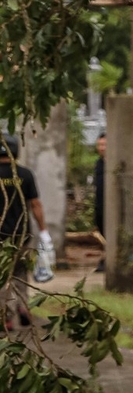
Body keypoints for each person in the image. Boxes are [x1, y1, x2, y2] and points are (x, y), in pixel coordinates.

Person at [1, 136, 52, 329]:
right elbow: (35, 204)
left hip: (0, 239)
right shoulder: (25, 174)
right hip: (22, 235)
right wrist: (43, 230)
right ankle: (23, 306)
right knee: (21, 273)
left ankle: (6, 315)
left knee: (2, 277)